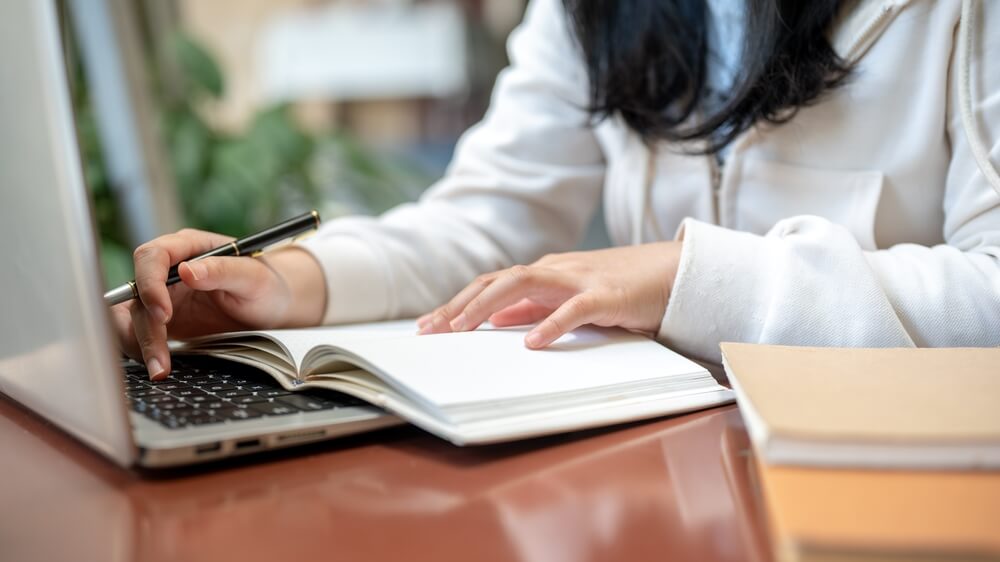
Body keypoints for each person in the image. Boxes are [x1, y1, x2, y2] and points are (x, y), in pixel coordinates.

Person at [116, 0, 1000, 381]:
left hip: (883, 473)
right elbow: (488, 216)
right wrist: (295, 283)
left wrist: (681, 276)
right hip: (658, 466)